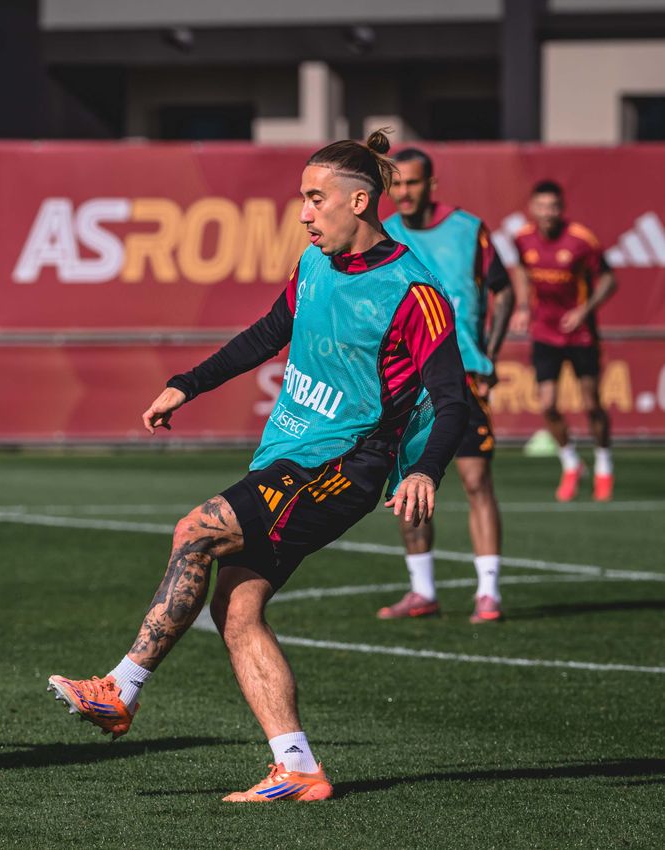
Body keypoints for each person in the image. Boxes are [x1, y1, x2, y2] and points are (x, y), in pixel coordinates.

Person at [47, 131, 468, 803]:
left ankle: (119, 689)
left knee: (197, 529)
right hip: (289, 457)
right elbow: (267, 334)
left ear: (359, 202)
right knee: (237, 610)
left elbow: (454, 400)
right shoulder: (313, 265)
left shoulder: (414, 293)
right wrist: (188, 382)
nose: (303, 213)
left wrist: (425, 472)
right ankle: (297, 767)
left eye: (314, 199)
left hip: (343, 467)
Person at [376, 148, 514, 624]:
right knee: (411, 485)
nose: (403, 193)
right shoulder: (383, 235)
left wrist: (489, 352)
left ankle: (489, 593)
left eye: (412, 183)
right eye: (395, 184)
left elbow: (504, 288)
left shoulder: (468, 229)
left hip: (464, 376)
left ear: (432, 185)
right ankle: (422, 591)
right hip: (408, 384)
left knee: (477, 482)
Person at [508, 180, 617, 502]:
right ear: (532, 208)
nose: (548, 213)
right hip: (544, 331)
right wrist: (524, 306)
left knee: (591, 404)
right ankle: (571, 463)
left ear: (561, 208)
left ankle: (604, 463)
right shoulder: (522, 238)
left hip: (580, 332)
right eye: (542, 207)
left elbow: (609, 279)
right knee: (547, 404)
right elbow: (521, 270)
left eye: (553, 207)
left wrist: (585, 310)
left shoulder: (582, 240)